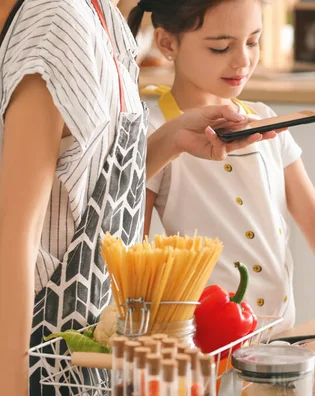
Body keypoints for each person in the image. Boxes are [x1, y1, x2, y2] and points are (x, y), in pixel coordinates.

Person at [0, 0, 280, 394]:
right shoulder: (57, 22)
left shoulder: (107, 20)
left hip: (85, 358)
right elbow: (14, 234)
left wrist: (174, 139)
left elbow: (88, 192)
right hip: (38, 359)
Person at [132, 0, 315, 343]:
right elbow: (136, 257)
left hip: (279, 332)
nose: (243, 60)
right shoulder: (155, 135)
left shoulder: (266, 119)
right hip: (205, 341)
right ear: (167, 43)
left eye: (253, 41)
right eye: (221, 47)